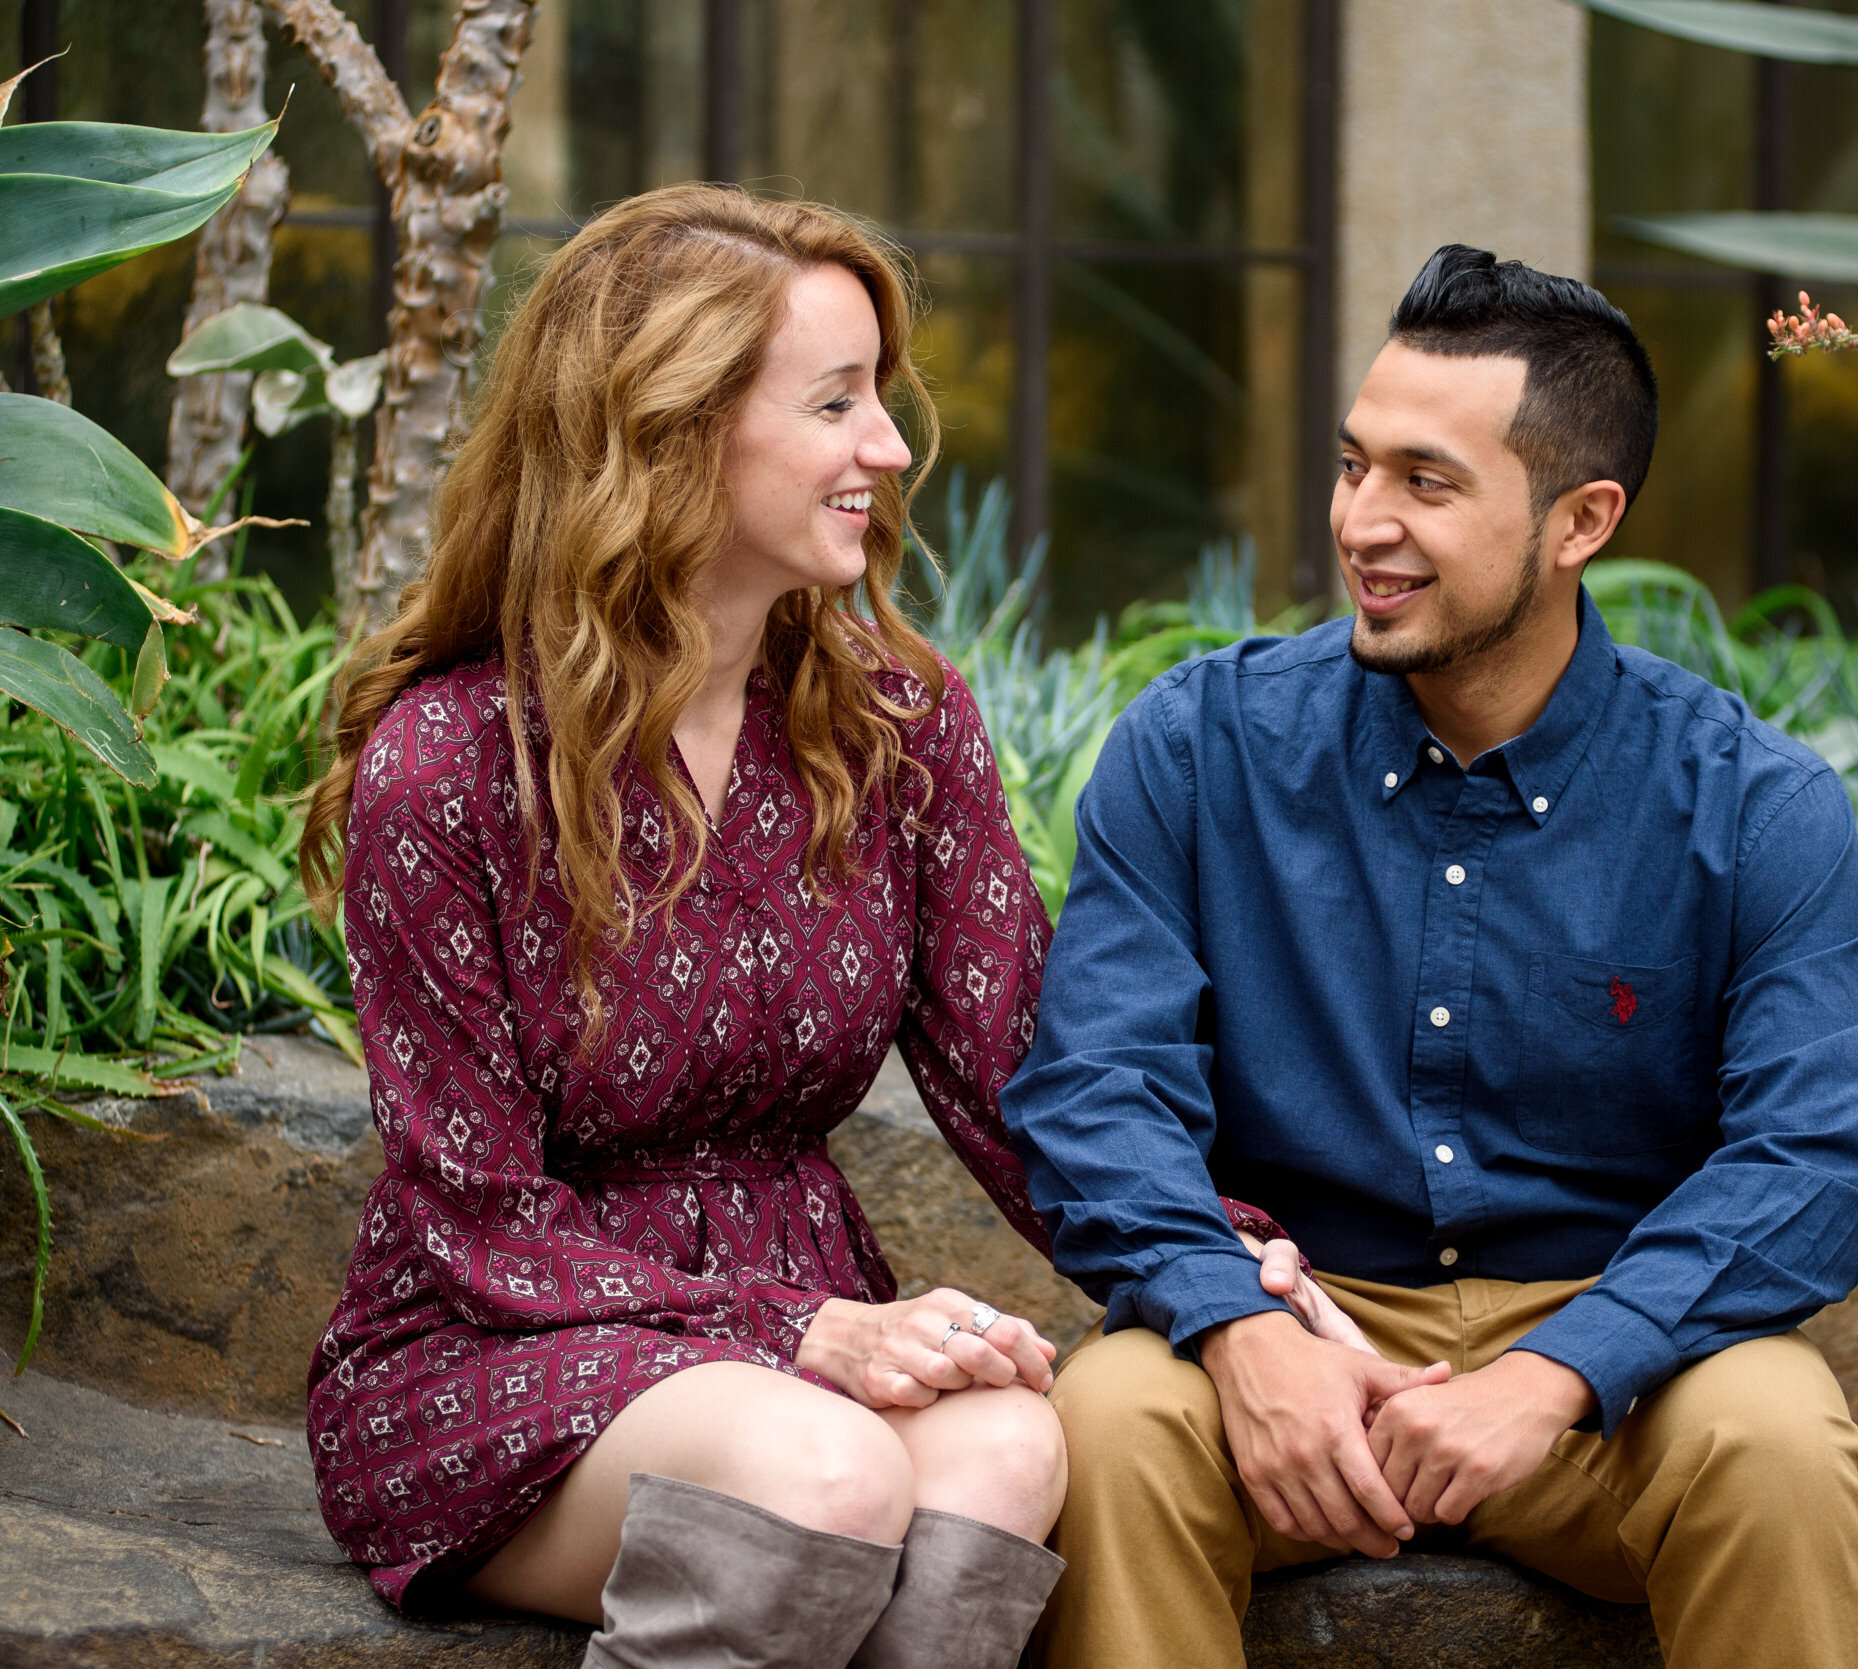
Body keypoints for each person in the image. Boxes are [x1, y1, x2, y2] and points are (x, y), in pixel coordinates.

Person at [295, 183, 1331, 1669]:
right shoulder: (449, 764)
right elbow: (479, 1218)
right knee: (830, 1474)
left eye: (882, 400)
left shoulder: (898, 725)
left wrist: (1220, 1261)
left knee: (1006, 1451)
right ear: (670, 427)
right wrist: (797, 1331)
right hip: (498, 1350)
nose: (890, 450)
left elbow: (1025, 1080)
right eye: (838, 402)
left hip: (803, 1342)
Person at [1005, 244, 1858, 1669]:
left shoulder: (1752, 803)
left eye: (1428, 482)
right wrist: (1240, 1330)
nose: (1363, 520)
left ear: (1580, 520)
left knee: (1781, 1440)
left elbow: (1809, 1160)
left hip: (1616, 1363)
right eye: (1356, 466)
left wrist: (1561, 1371)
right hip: (1301, 1324)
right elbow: (1095, 1090)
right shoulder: (1198, 747)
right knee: (1109, 1418)